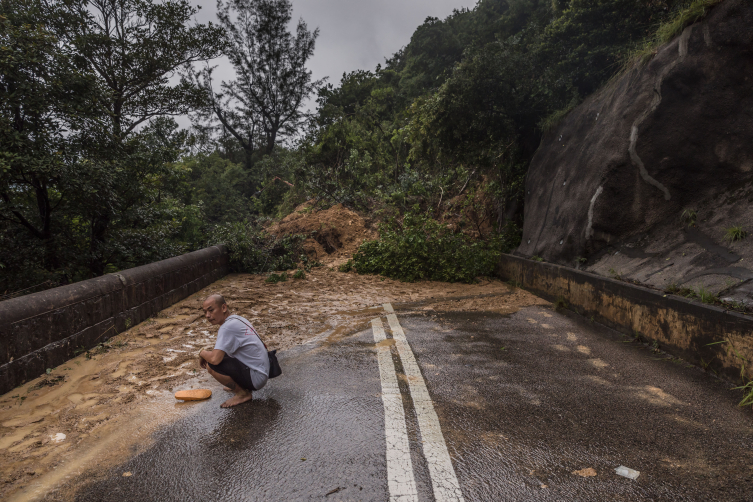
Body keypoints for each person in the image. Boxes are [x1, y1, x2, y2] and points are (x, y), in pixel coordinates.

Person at [198, 294, 270, 408]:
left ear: (223, 308)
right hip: (262, 371)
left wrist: (201, 352)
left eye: (211, 310)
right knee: (221, 355)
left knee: (211, 365)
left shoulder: (226, 327)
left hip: (257, 377)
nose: (207, 315)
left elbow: (214, 359)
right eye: (205, 312)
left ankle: (242, 393)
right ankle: (238, 385)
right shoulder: (237, 319)